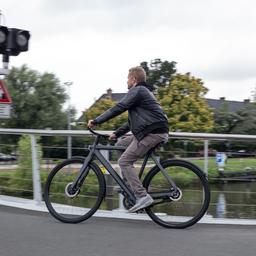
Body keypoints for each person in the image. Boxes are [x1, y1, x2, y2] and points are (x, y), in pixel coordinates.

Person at [88, 66, 169, 212]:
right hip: (151, 131)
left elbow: (120, 107)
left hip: (152, 133)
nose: (126, 81)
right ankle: (130, 187)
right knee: (121, 143)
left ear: (133, 79)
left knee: (124, 161)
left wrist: (97, 121)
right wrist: (117, 134)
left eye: (127, 78)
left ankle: (142, 196)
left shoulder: (137, 90)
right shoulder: (143, 92)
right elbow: (132, 122)